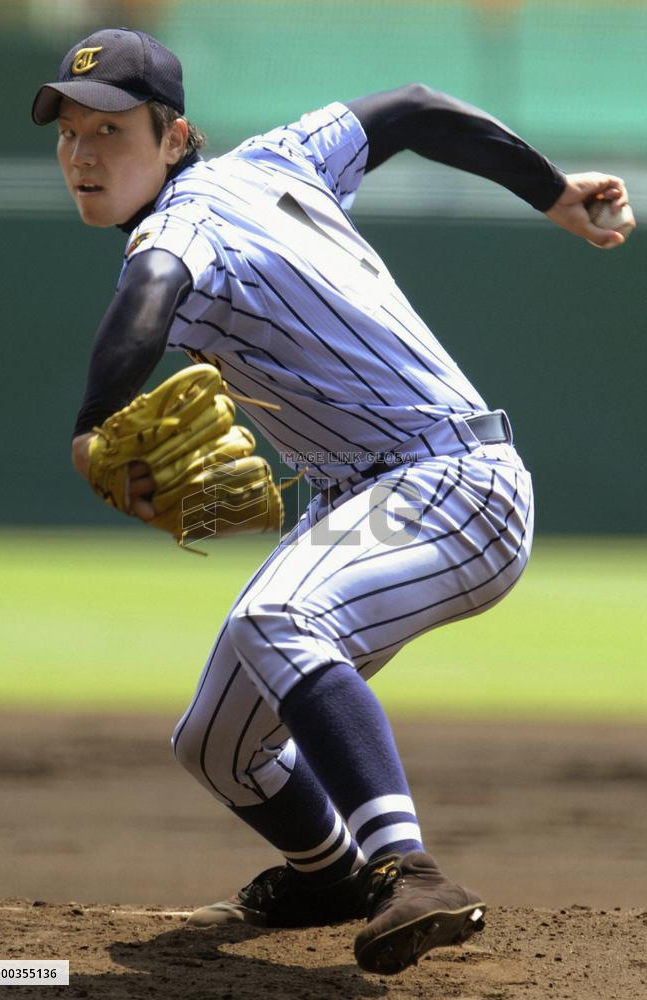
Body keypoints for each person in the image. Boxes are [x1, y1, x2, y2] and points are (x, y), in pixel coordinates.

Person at [32, 27, 634, 975]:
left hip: (447, 482)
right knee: (218, 745)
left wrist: (91, 425)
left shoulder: (179, 223)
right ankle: (330, 874)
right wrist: (553, 193)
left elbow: (151, 287)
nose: (82, 153)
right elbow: (417, 108)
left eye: (110, 129)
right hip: (368, 494)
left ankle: (410, 871)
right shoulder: (281, 157)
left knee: (279, 619)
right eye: (68, 132)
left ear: (175, 137)